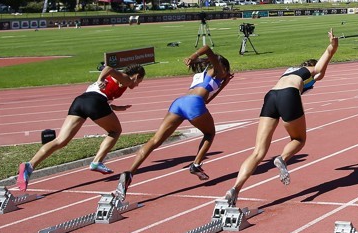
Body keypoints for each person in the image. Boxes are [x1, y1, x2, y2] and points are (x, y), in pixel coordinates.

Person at [223, 30, 339, 206]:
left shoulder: (288, 72)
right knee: (299, 139)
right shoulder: (308, 72)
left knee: (258, 151)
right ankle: (282, 159)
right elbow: (320, 70)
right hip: (288, 95)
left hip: (271, 96)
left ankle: (235, 189)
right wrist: (332, 47)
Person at [115, 46, 232, 198]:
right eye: (226, 70)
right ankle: (196, 164)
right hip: (194, 104)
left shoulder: (200, 75)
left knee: (155, 140)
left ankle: (129, 173)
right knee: (210, 133)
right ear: (222, 66)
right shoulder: (218, 70)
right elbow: (208, 49)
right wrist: (194, 55)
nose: (226, 74)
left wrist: (224, 84)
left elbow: (207, 99)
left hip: (179, 103)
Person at [15, 65, 146, 191]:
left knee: (61, 140)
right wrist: (100, 79)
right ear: (136, 76)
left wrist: (118, 108)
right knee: (115, 131)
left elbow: (103, 98)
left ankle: (29, 165)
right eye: (139, 81)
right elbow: (109, 68)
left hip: (80, 101)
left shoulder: (121, 83)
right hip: (95, 102)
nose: (137, 85)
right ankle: (97, 162)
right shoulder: (126, 79)